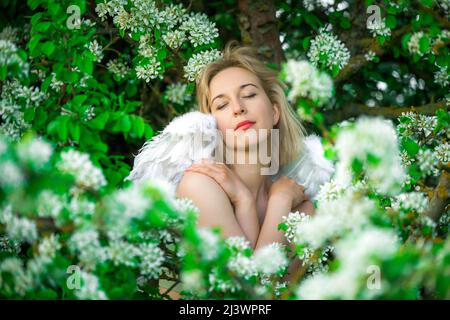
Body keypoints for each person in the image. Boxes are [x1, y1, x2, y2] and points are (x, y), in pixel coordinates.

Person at [174, 40, 315, 294]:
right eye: (222, 105)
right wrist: (265, 202)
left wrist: (271, 200)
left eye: (249, 94)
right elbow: (244, 296)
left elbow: (267, 296)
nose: (238, 108)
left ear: (274, 112)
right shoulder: (198, 185)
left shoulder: (302, 208)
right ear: (212, 126)